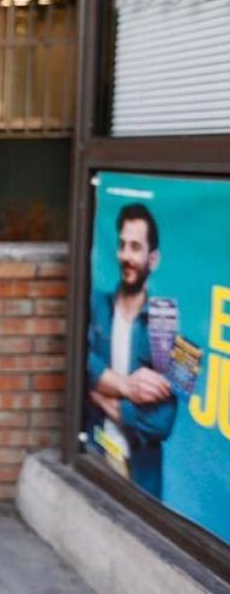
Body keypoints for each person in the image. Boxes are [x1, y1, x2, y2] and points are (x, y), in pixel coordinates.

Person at [86, 203, 176, 498]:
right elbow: (79, 362)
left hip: (141, 483)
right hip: (95, 458)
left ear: (153, 258)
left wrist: (98, 392)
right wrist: (127, 387)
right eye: (122, 245)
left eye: (135, 247)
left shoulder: (165, 325)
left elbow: (161, 422)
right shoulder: (96, 306)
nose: (126, 255)